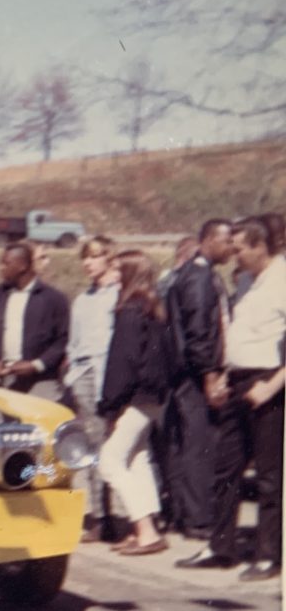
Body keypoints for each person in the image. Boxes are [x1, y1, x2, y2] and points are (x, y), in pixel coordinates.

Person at [177, 217, 285, 581]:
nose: (233, 255)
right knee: (225, 469)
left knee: (270, 477)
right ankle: (220, 547)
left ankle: (270, 555)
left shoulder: (282, 279)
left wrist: (271, 387)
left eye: (239, 248)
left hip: (269, 384)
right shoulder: (245, 280)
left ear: (260, 246)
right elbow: (238, 335)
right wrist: (224, 374)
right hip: (237, 381)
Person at [97, 250, 172, 556]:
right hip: (154, 396)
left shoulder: (128, 311)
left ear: (128, 273)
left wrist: (110, 404)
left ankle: (145, 532)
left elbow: (122, 363)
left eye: (116, 269)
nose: (112, 275)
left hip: (135, 397)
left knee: (109, 462)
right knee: (137, 458)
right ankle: (148, 523)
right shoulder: (153, 307)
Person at [164, 218, 234, 540]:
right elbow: (198, 334)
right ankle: (198, 519)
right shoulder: (198, 278)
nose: (231, 247)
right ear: (207, 239)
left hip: (192, 373)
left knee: (190, 443)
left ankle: (188, 514)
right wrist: (209, 374)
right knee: (200, 445)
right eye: (226, 240)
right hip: (195, 375)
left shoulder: (200, 274)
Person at [62, 235, 119, 543]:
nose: (88, 263)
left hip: (109, 375)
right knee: (91, 446)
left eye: (95, 257)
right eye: (85, 257)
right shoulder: (82, 300)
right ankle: (100, 516)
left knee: (110, 448)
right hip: (84, 376)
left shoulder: (118, 296)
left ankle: (113, 516)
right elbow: (74, 344)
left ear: (110, 258)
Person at [0, 243, 70, 400]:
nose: (0, 267)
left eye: (6, 263)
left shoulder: (52, 298)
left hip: (42, 381)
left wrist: (36, 365)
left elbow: (62, 340)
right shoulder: (0, 295)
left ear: (22, 266)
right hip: (7, 377)